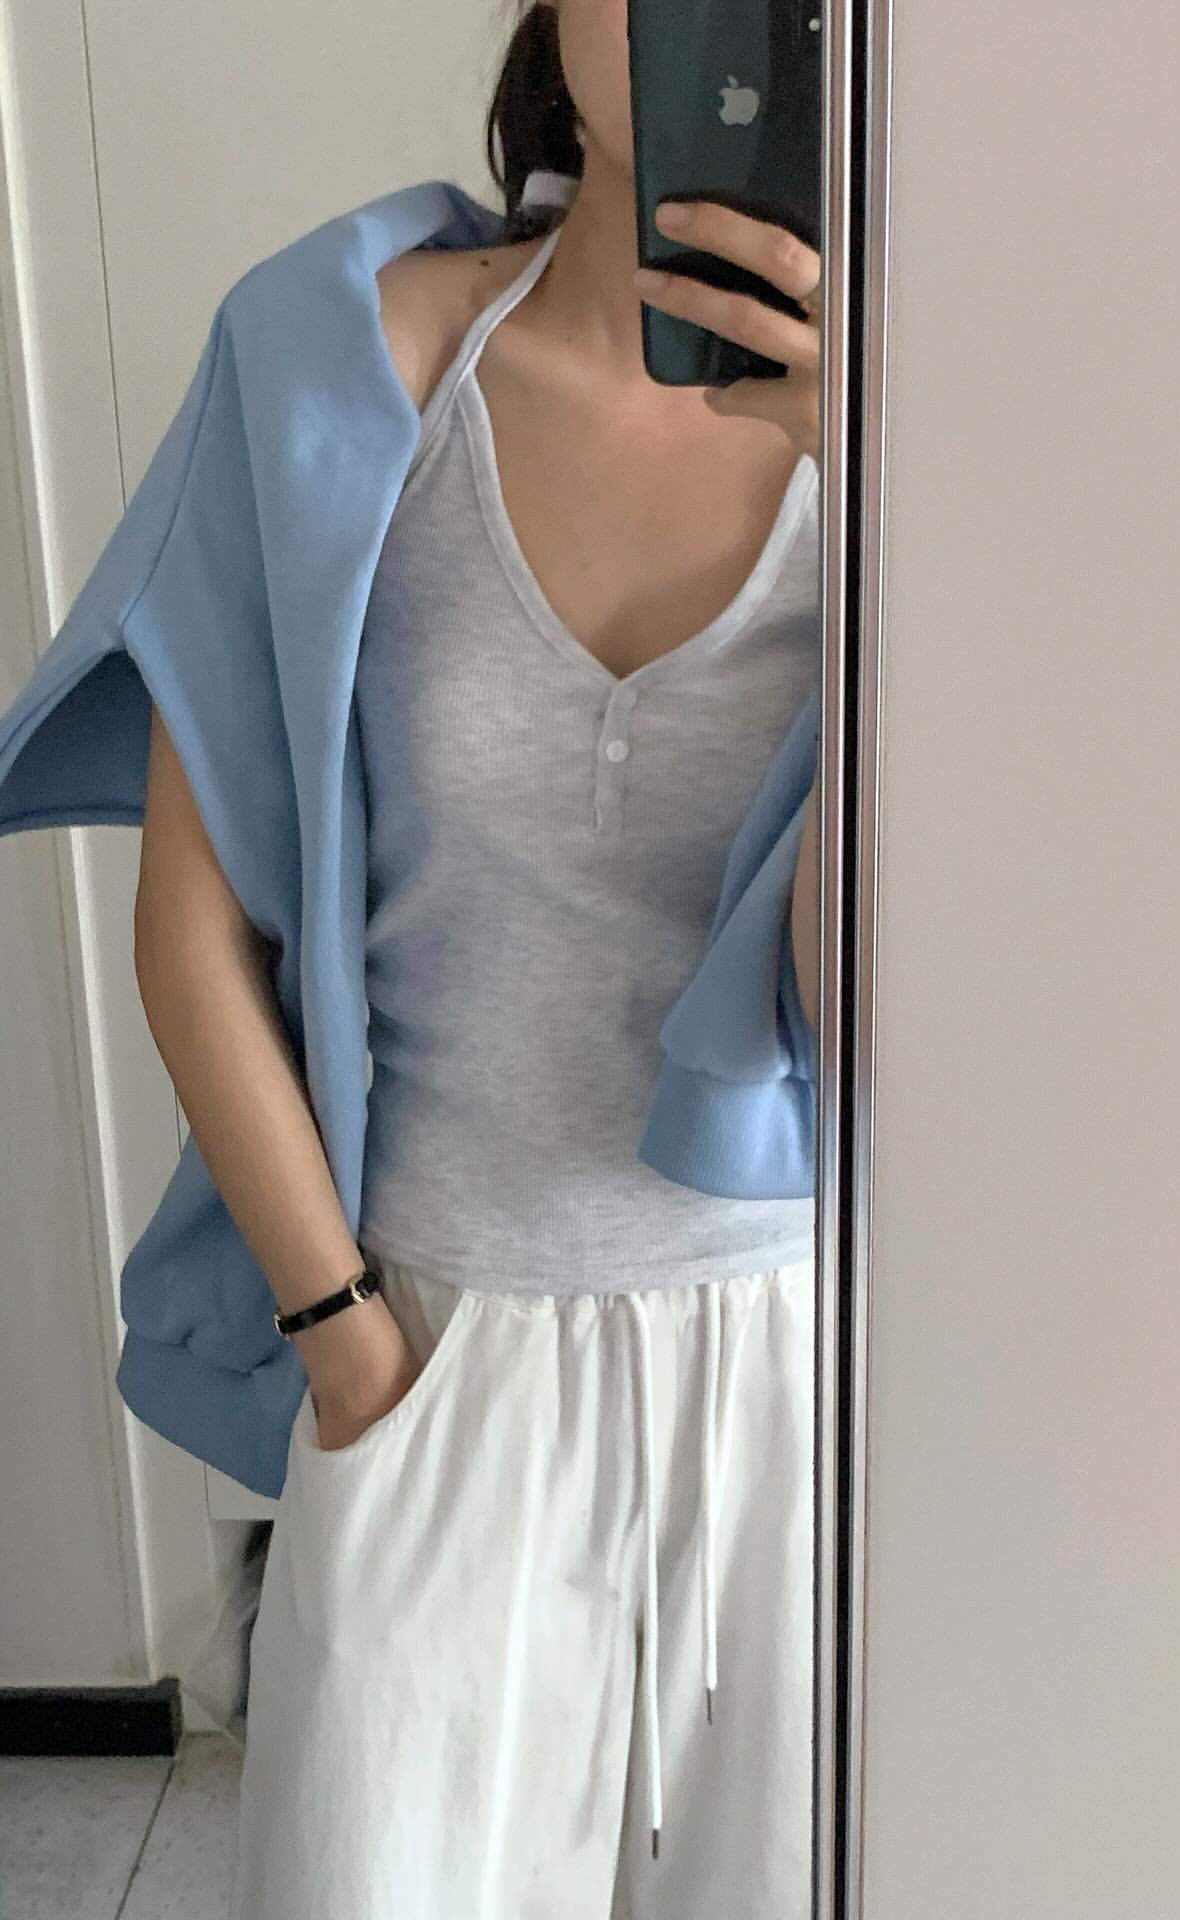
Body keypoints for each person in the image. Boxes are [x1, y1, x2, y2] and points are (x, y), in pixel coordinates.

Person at [138, 2, 825, 1915]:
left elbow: (897, 1011)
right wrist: (348, 1344)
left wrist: (898, 515)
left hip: (793, 1379)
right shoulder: (341, 362)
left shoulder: (928, 426)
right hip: (429, 1350)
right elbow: (194, 927)